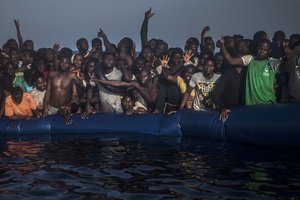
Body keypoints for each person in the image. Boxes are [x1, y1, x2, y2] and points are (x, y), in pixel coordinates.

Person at [219, 36, 281, 106]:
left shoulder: (272, 62)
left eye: (265, 49)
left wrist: (291, 53)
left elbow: (286, 68)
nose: (262, 51)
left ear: (269, 51)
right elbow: (231, 61)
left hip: (269, 104)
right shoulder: (250, 59)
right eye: (260, 48)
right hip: (251, 105)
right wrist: (222, 46)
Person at [43, 55, 79, 124]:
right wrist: (45, 107)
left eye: (66, 63)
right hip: (51, 107)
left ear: (69, 64)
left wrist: (69, 105)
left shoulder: (72, 75)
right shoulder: (52, 74)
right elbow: (48, 92)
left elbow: (74, 94)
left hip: (65, 108)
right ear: (59, 63)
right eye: (62, 62)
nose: (64, 65)